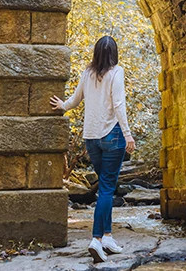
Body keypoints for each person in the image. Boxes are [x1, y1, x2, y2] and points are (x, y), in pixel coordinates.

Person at [50, 35, 135, 263]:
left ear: (96, 53)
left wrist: (62, 105)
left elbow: (76, 99)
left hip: (91, 139)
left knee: (105, 186)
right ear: (114, 53)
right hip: (112, 136)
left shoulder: (87, 73)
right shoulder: (117, 72)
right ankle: (96, 240)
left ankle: (107, 236)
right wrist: (128, 135)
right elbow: (119, 105)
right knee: (107, 188)